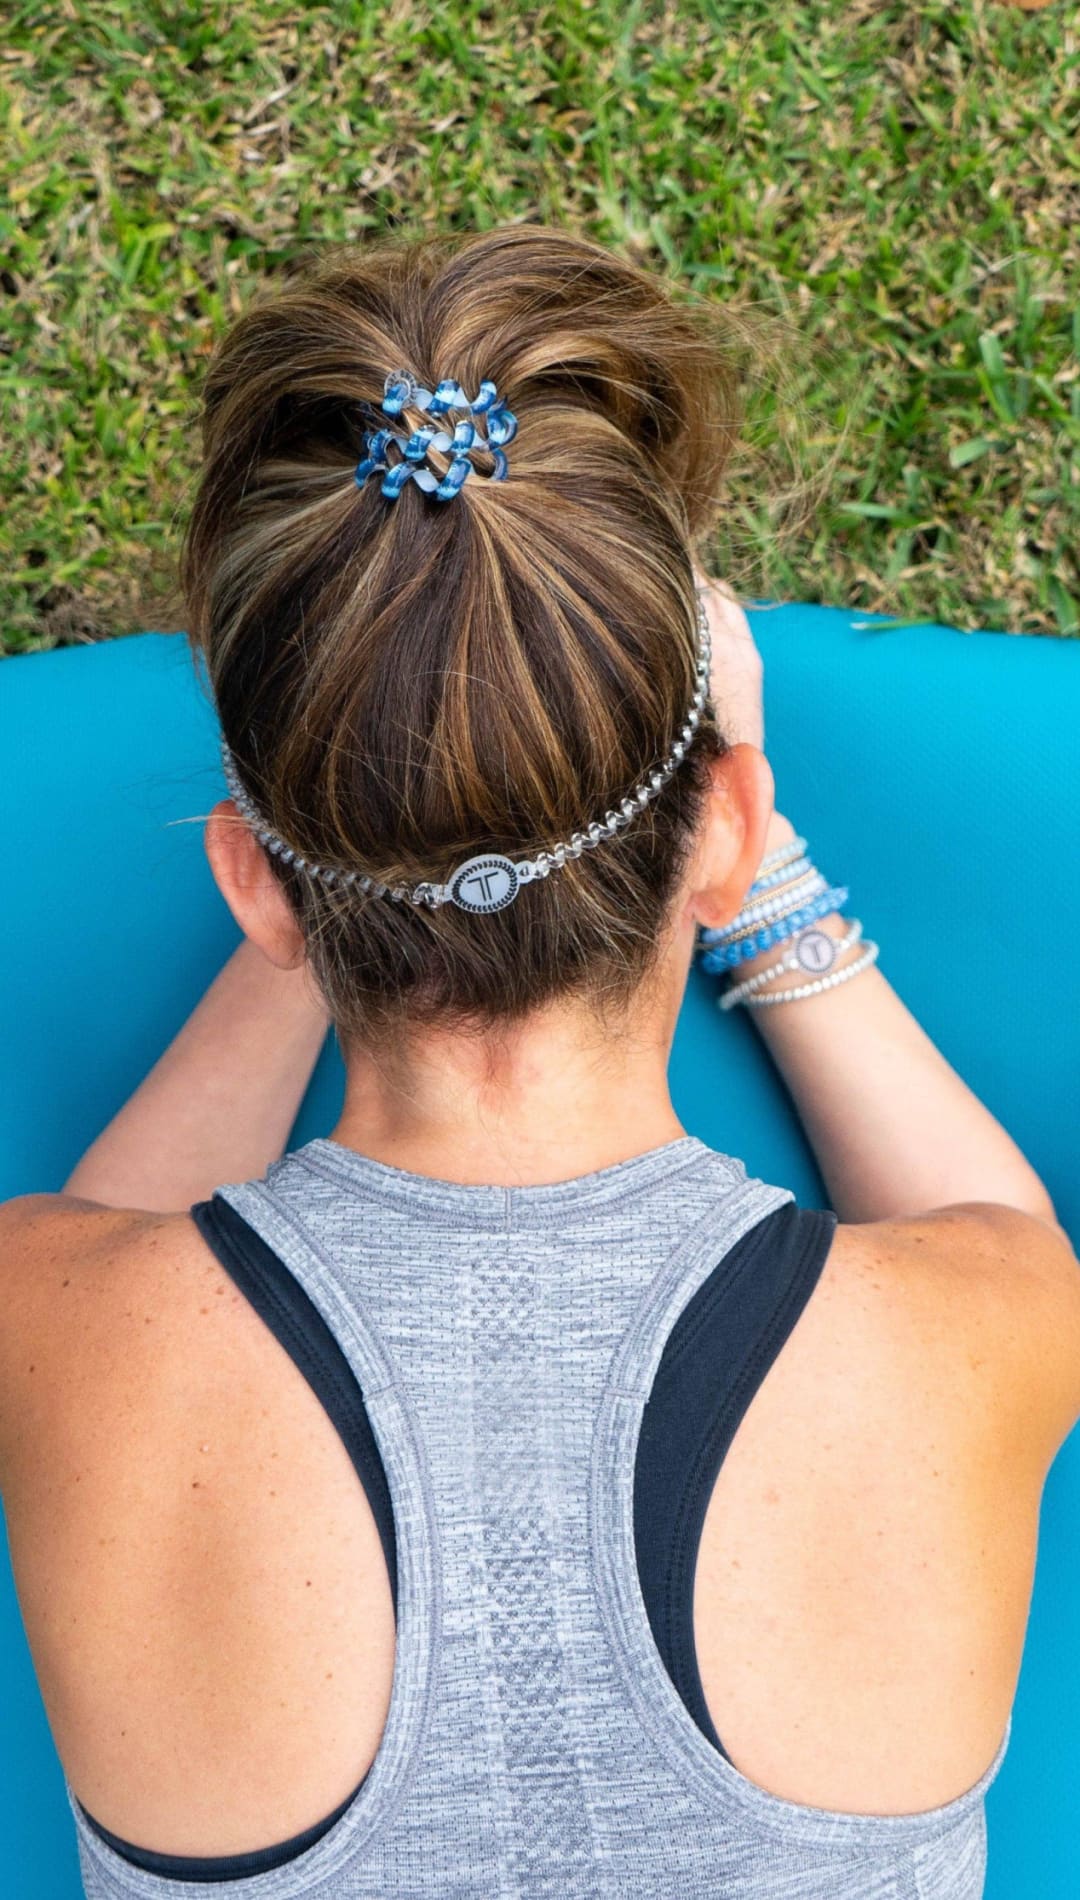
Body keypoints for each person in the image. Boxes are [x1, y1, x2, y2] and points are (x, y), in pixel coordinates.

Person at [2, 222, 1078, 1900]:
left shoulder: (43, 1322)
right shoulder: (969, 1331)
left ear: (251, 879)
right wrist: (764, 870)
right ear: (717, 826)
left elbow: (110, 1227)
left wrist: (335, 873)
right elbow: (993, 1221)